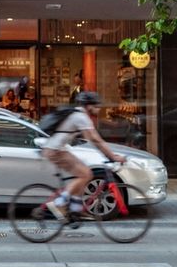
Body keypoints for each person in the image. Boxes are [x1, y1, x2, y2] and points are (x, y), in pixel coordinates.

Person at [41, 92, 125, 220]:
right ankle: (59, 204)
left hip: (56, 148)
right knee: (86, 174)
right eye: (96, 105)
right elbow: (95, 140)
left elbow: (92, 140)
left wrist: (108, 154)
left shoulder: (78, 114)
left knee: (85, 174)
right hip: (55, 150)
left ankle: (76, 209)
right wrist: (113, 157)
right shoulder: (81, 117)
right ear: (89, 106)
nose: (99, 108)